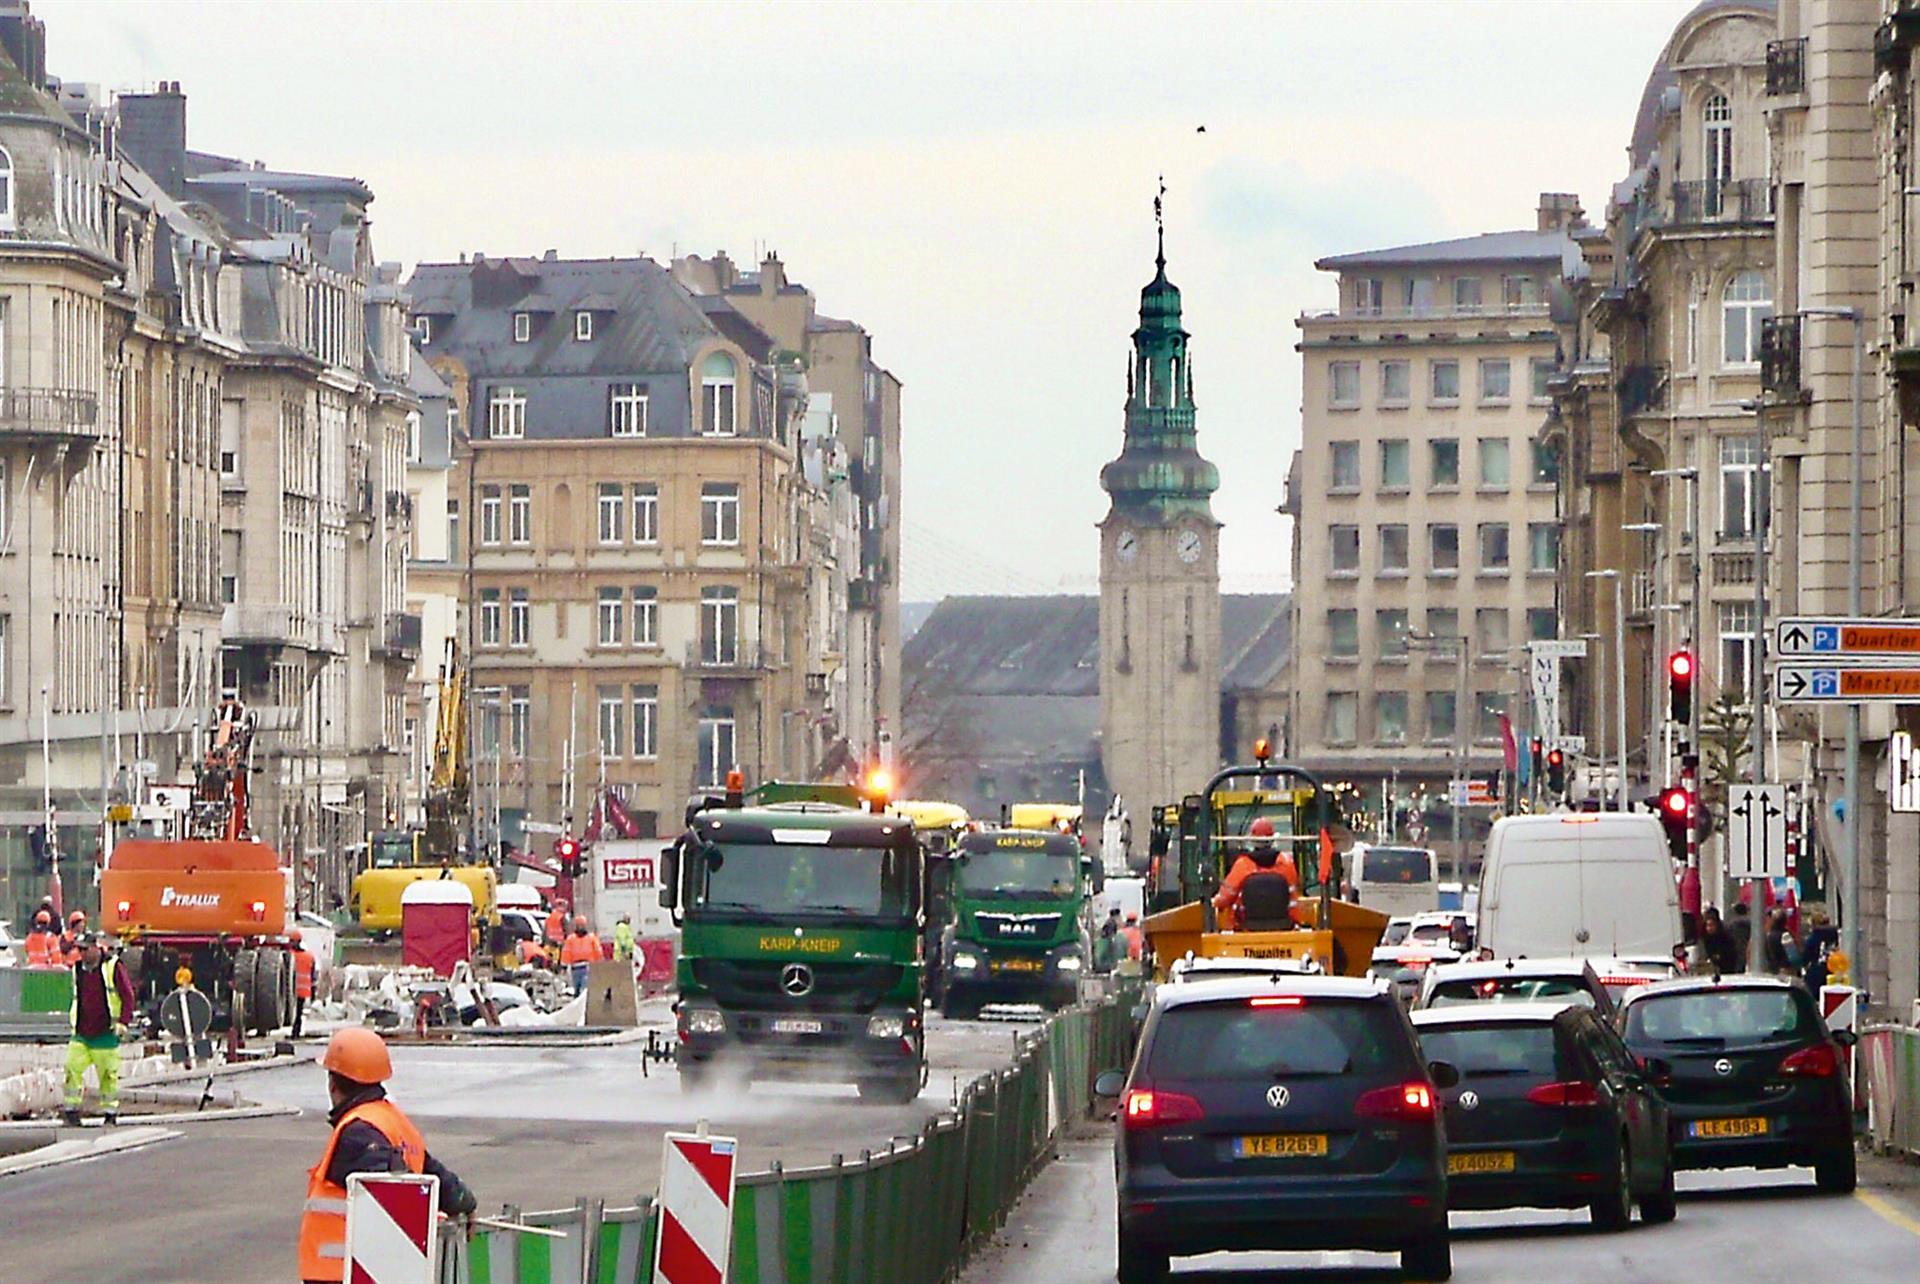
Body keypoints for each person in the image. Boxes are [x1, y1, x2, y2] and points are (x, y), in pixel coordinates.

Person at [301, 1028, 475, 1283]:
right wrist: (464, 1202)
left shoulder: (358, 1133)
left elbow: (391, 1190)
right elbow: (433, 1173)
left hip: (346, 1273)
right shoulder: (395, 1123)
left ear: (333, 1082)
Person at [64, 934, 135, 1126]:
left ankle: (110, 1113)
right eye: (79, 950)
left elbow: (127, 996)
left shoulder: (112, 967)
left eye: (85, 949)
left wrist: (123, 1022)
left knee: (107, 1076)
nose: (82, 954)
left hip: (106, 1032)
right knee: (72, 1068)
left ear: (96, 948)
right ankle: (71, 1111)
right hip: (82, 1032)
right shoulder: (78, 970)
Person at [1212, 818, 1299, 931]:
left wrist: (1214, 902)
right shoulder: (1287, 863)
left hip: (1247, 928)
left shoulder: (1243, 865)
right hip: (1285, 926)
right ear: (1272, 839)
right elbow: (1294, 896)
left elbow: (1225, 898)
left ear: (1252, 840)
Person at [558, 915, 602, 994]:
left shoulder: (591, 938)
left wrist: (599, 965)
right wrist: (563, 966)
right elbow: (566, 953)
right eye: (579, 925)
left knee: (584, 989)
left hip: (587, 967)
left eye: (582, 925)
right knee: (577, 990)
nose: (581, 927)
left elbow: (598, 952)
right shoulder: (571, 939)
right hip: (575, 968)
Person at [1699, 906, 1740, 975]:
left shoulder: (1725, 938)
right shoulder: (1703, 939)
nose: (1709, 928)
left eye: (1712, 925)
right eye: (1707, 925)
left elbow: (1730, 956)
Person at [291, 931, 316, 1038]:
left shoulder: (291, 955)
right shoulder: (309, 956)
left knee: (296, 1013)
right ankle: (296, 1031)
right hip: (303, 990)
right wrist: (313, 991)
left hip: (293, 989)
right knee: (298, 1013)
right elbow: (313, 976)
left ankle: (295, 1032)